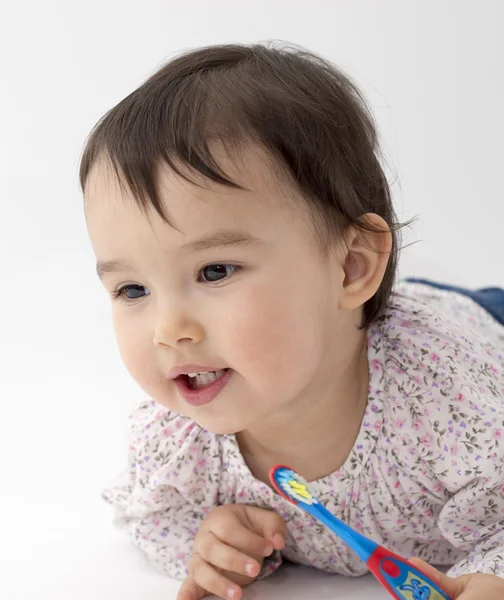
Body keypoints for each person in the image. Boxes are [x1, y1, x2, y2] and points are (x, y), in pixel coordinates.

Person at [80, 42, 504, 600]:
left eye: (215, 271)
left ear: (350, 266)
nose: (169, 328)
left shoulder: (449, 396)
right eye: (133, 288)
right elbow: (145, 517)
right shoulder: (178, 441)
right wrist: (209, 543)